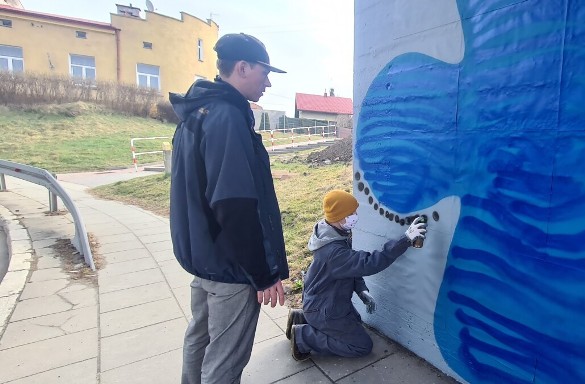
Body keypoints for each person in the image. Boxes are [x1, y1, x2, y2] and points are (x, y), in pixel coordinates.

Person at [169, 33, 289, 384]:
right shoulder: (226, 117)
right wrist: (263, 273)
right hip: (230, 265)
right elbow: (233, 202)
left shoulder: (197, 112)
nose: (268, 82)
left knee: (200, 340)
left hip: (205, 258)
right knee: (224, 362)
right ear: (242, 68)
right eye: (264, 73)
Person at [286, 190, 427, 361]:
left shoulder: (331, 233)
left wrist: (361, 290)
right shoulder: (333, 251)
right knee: (361, 346)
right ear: (340, 216)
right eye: (351, 213)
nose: (355, 215)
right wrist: (405, 240)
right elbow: (368, 263)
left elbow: (350, 267)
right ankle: (304, 337)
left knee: (356, 323)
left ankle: (300, 317)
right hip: (324, 308)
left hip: (323, 302)